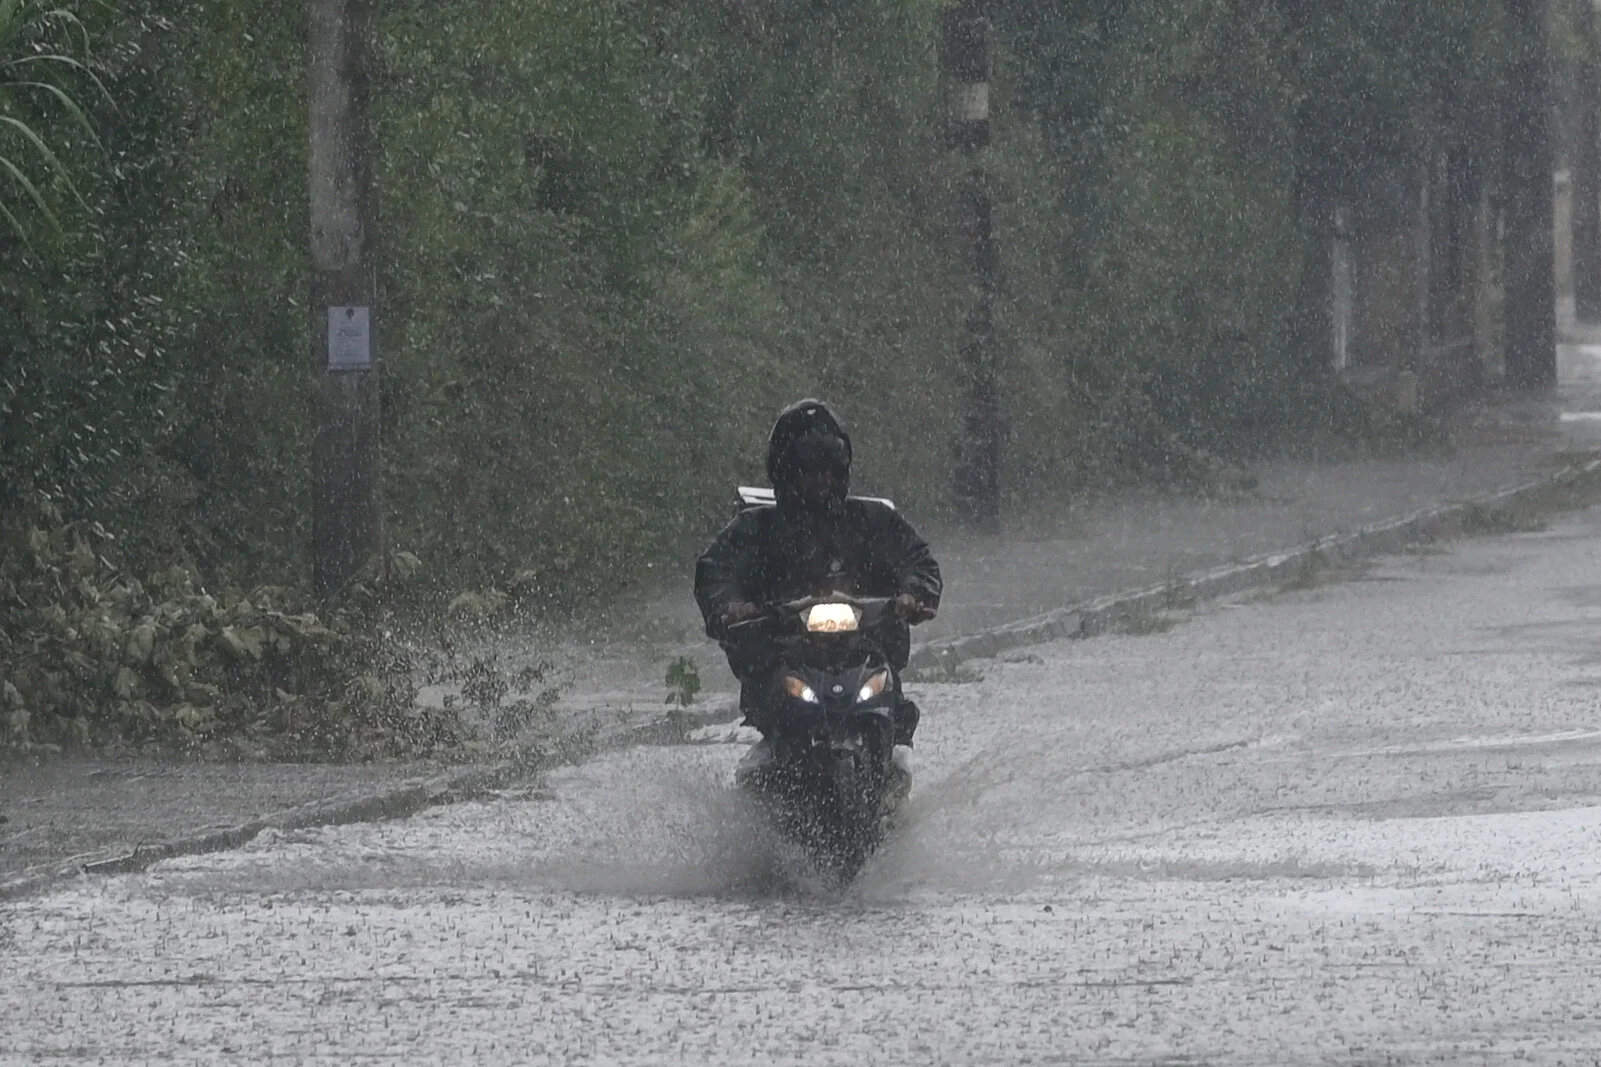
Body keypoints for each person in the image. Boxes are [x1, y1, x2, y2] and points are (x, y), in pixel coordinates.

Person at [694, 399, 942, 761]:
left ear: (842, 470)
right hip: (784, 655)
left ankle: (890, 758)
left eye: (829, 469)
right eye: (808, 469)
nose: (821, 480)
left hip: (862, 652)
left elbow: (916, 558)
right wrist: (730, 607)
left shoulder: (871, 522)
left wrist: (913, 593)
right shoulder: (756, 531)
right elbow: (716, 571)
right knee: (772, 700)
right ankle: (777, 763)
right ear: (785, 472)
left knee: (894, 707)